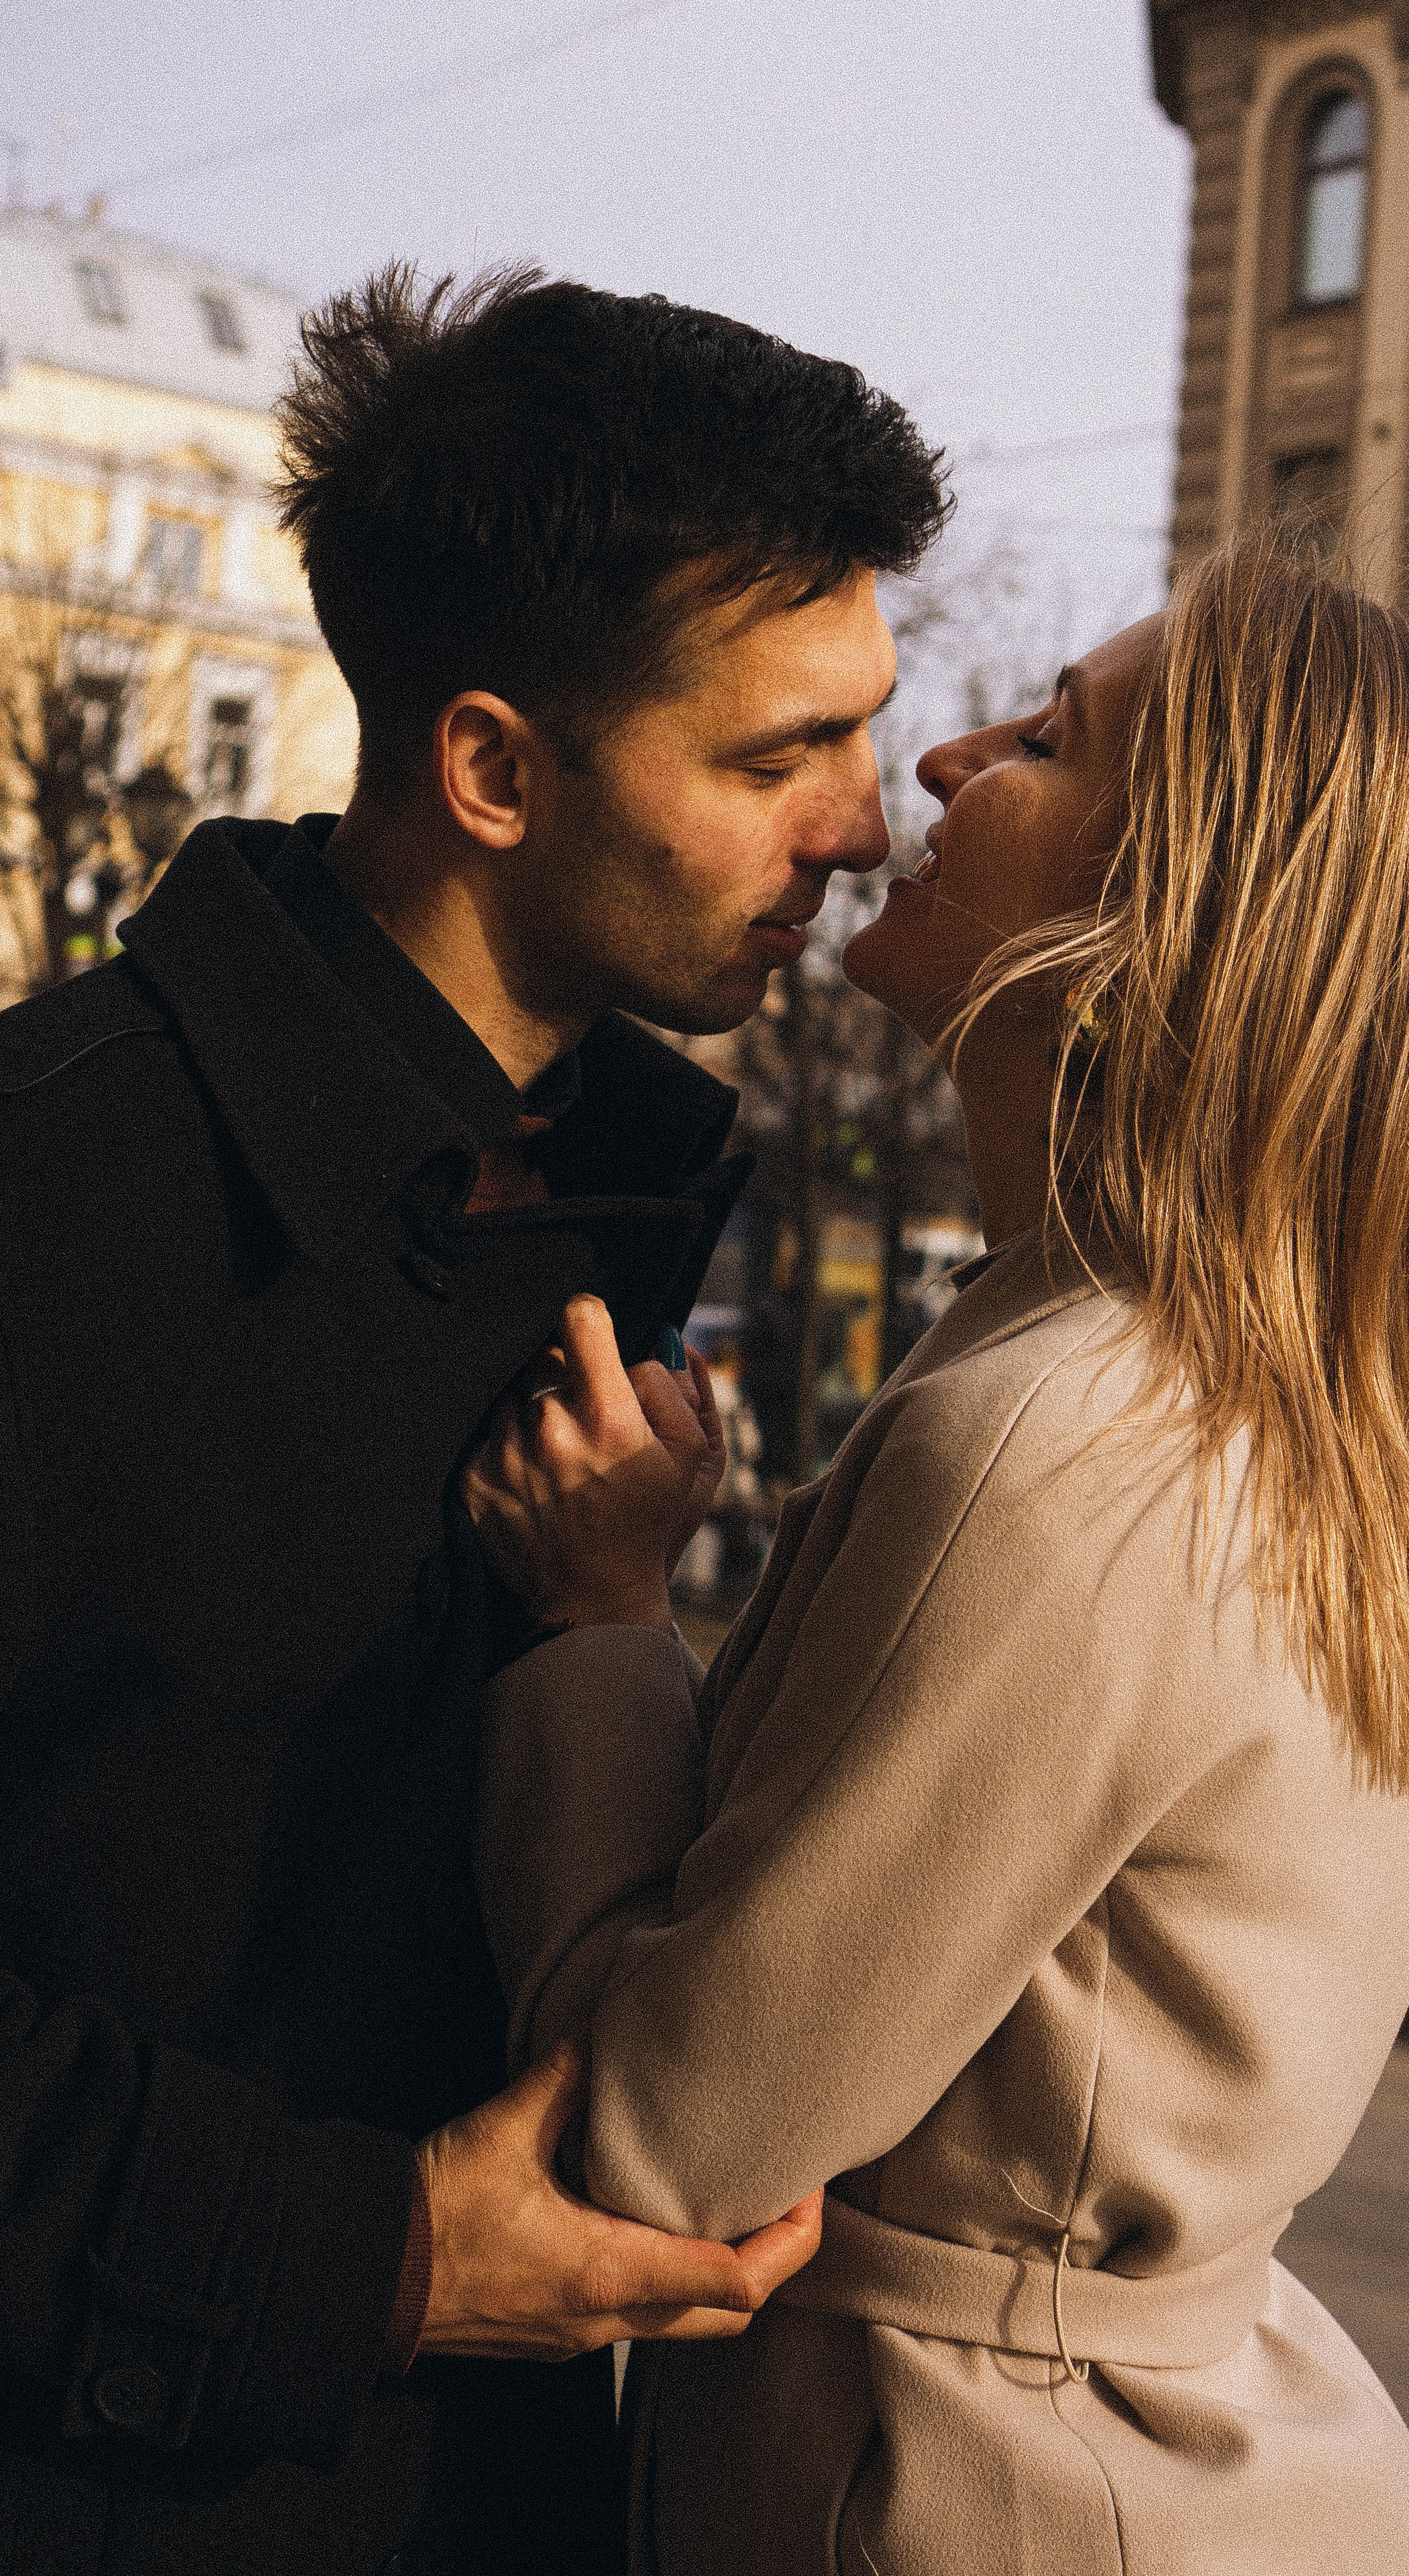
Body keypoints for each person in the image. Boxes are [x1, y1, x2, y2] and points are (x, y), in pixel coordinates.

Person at [465, 531, 1409, 2572]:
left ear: (1177, 901)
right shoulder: (1209, 1371)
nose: (941, 762)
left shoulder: (1071, 1438)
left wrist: (603, 1617)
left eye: (1050, 740)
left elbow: (672, 2144)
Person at [0, 265, 945, 2576]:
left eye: (869, 734)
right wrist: (365, 2250)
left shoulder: (618, 1207)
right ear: (496, 767)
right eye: (771, 759)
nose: (867, 830)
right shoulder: (52, 1196)